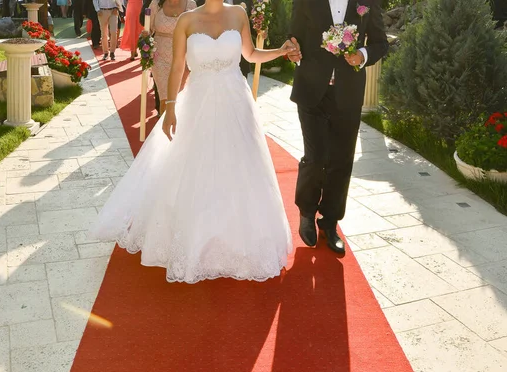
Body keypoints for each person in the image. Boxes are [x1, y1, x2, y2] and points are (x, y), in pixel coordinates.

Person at [90, 0, 299, 283]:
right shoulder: (187, 21)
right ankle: (196, 241)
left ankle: (238, 242)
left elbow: (250, 55)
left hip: (236, 104)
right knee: (196, 169)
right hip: (198, 102)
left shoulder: (238, 13)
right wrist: (170, 107)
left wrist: (280, 51)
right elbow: (177, 66)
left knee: (239, 169)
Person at [287, 0, 388, 254]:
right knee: (316, 156)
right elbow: (293, 36)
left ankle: (330, 223)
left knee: (341, 160)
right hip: (312, 90)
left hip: (348, 93)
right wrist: (292, 48)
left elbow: (380, 43)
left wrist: (362, 55)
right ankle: (307, 212)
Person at [147, 0, 197, 114]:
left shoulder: (191, 4)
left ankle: (178, 129)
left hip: (183, 58)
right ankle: (163, 130)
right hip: (160, 58)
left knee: (178, 98)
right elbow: (147, 29)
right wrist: (145, 39)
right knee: (165, 100)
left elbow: (196, 31)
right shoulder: (156, 4)